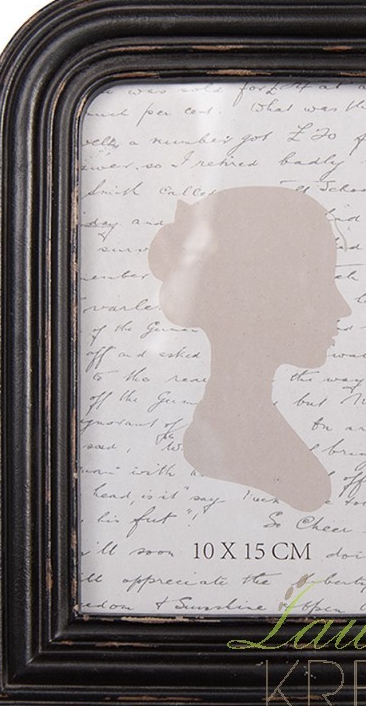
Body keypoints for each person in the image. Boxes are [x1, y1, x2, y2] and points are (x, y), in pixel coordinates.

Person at [148, 186, 351, 512]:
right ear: (256, 299)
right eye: (317, 283)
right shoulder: (232, 440)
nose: (343, 308)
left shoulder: (248, 432)